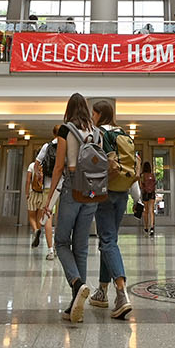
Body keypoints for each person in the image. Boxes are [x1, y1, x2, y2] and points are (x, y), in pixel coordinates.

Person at [44, 93, 102, 323]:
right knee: (81, 247)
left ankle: (77, 284)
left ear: (69, 109)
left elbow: (58, 167)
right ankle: (74, 304)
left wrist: (48, 200)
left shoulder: (65, 131)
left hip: (71, 187)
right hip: (92, 191)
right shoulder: (96, 132)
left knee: (60, 241)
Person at [87, 100, 135, 319]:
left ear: (98, 114)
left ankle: (121, 292)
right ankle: (102, 292)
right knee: (109, 241)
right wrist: (138, 198)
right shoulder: (122, 132)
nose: (92, 116)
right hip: (122, 191)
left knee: (107, 241)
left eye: (93, 113)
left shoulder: (98, 133)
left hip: (105, 191)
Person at [27, 138, 59, 258]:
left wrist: (40, 176)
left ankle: (50, 250)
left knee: (47, 216)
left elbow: (37, 165)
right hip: (64, 186)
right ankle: (59, 246)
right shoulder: (68, 144)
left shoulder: (47, 146)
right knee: (62, 217)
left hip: (48, 186)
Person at [139, 160, 157, 236]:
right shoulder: (152, 175)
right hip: (152, 194)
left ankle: (146, 227)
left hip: (145, 193)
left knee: (146, 211)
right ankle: (152, 227)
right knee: (151, 211)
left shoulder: (142, 175)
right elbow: (155, 184)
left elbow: (140, 186)